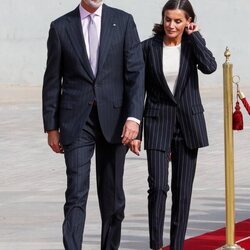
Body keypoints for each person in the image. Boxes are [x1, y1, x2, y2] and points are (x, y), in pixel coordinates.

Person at [42, 0, 144, 249]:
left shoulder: (124, 21)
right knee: (76, 192)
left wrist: (134, 118)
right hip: (76, 122)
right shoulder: (60, 27)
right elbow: (53, 80)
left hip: (116, 121)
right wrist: (51, 127)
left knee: (112, 197)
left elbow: (135, 73)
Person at [129, 0, 217, 249]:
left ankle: (177, 246)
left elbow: (210, 67)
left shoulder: (192, 46)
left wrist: (195, 36)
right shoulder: (147, 48)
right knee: (157, 187)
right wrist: (136, 129)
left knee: (182, 191)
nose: (171, 25)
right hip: (157, 123)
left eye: (178, 20)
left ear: (188, 21)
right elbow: (138, 90)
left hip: (188, 125)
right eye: (168, 19)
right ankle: (155, 245)